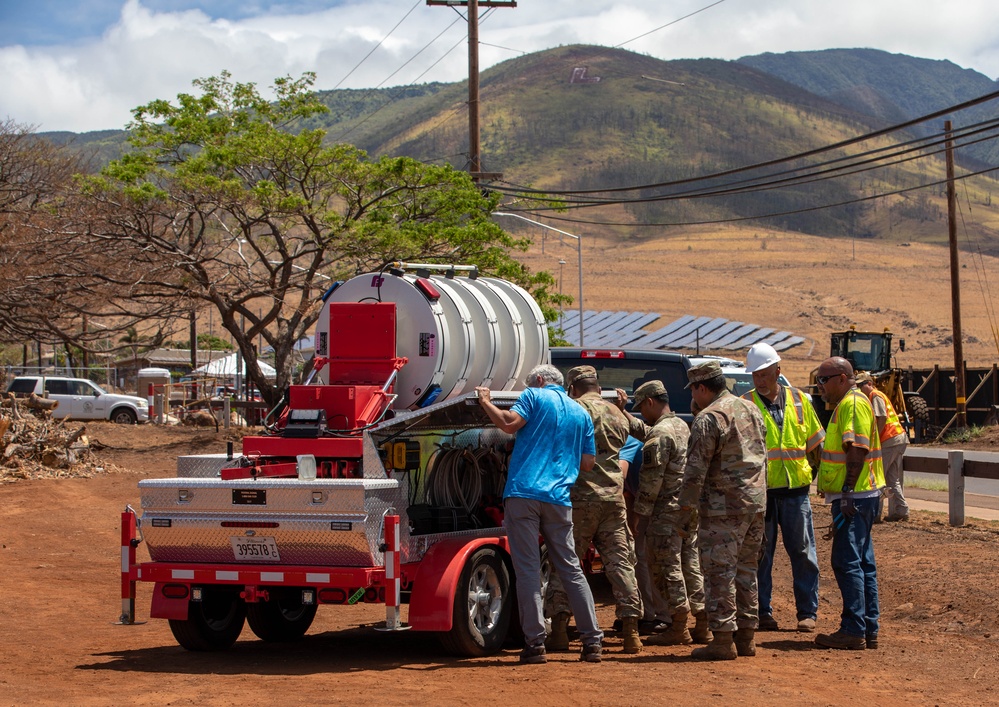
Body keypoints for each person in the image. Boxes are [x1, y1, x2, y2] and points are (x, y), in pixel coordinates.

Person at [475, 364, 604, 664]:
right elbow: (587, 463)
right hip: (559, 498)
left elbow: (509, 424)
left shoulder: (534, 396)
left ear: (540, 381)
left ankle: (534, 645)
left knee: (529, 571)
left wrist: (486, 402)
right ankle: (592, 642)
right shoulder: (580, 413)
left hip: (524, 493)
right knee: (571, 569)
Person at [544, 365, 643, 654]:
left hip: (577, 500)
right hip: (613, 499)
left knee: (565, 562)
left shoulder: (571, 410)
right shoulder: (616, 413)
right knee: (620, 563)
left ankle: (560, 631)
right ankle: (631, 634)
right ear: (598, 387)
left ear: (573, 387)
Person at [676, 361, 767, 661]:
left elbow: (694, 471)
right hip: (755, 505)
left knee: (719, 573)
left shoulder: (709, 418)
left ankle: (723, 640)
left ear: (702, 388)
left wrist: (685, 510)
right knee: (746, 571)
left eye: (693, 390)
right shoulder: (750, 409)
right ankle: (747, 638)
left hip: (722, 509)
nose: (693, 396)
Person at [741, 342, 824, 634]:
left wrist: (814, 477)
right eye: (755, 375)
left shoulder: (801, 400)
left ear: (778, 370)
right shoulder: (746, 403)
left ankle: (807, 612)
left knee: (803, 552)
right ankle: (762, 611)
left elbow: (816, 445)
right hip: (761, 494)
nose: (760, 379)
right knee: (760, 555)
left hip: (796, 492)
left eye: (764, 373)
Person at [620, 380, 709, 646]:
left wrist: (639, 517)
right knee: (690, 566)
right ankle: (703, 624)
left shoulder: (659, 435)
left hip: (665, 513)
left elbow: (650, 483)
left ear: (649, 402)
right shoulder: (680, 425)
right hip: (687, 510)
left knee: (665, 568)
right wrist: (623, 413)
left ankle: (678, 625)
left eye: (640, 407)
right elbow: (646, 430)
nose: (640, 413)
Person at [813, 357, 886, 650]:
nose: (820, 387)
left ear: (842, 378)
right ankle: (867, 628)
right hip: (862, 495)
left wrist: (845, 493)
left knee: (847, 561)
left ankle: (853, 628)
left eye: (824, 380)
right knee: (863, 562)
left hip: (854, 498)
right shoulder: (852, 402)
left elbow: (856, 449)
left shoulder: (851, 404)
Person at [620, 434, 672, 635]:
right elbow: (628, 492)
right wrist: (633, 517)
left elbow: (621, 475)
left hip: (660, 504)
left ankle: (665, 616)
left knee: (656, 559)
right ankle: (648, 614)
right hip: (642, 504)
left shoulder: (627, 442)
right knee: (640, 557)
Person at [857, 373, 910, 522]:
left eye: (862, 385)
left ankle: (875, 514)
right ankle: (901, 510)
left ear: (869, 383)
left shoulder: (875, 395)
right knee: (892, 478)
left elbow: (881, 417)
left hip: (889, 440)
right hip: (898, 438)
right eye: (858, 386)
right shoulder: (876, 395)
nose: (860, 389)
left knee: (878, 477)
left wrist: (875, 439)